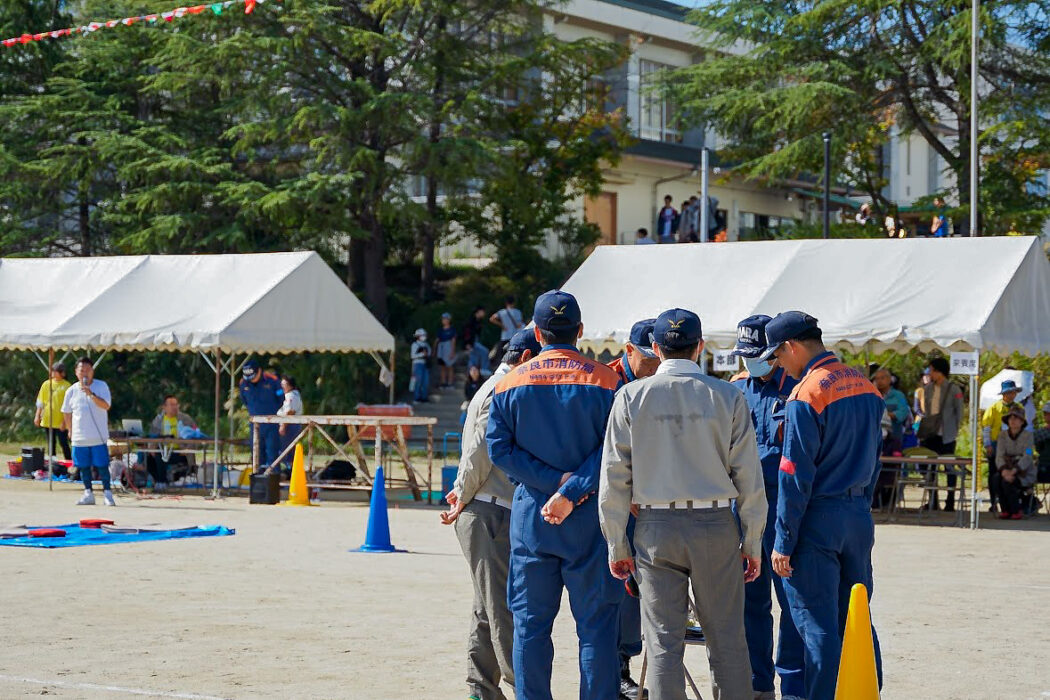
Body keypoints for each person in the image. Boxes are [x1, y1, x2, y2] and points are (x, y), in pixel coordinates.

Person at [599, 308, 765, 700]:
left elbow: (614, 478)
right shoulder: (728, 395)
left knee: (662, 643)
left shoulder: (630, 397)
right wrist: (753, 541)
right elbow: (749, 479)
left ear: (655, 348)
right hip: (715, 525)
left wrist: (616, 544)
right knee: (726, 638)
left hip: (655, 528)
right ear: (701, 346)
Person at [486, 290, 622, 700]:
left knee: (530, 627)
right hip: (591, 519)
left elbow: (499, 449)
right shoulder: (607, 380)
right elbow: (617, 449)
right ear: (580, 331)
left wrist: (552, 481)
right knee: (597, 628)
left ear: (537, 333)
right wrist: (574, 487)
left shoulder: (510, 382)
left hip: (533, 517)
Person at [759, 311, 884, 700]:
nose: (778, 364)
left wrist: (783, 541)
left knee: (819, 628)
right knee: (858, 619)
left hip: (817, 521)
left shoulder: (806, 394)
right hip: (857, 516)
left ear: (791, 346)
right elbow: (876, 461)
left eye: (778, 356)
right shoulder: (865, 386)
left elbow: (794, 477)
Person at [440, 329, 542, 700]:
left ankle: (480, 688)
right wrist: (461, 497)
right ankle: (523, 690)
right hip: (488, 508)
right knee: (504, 611)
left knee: (487, 606)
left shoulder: (494, 385)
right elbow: (479, 454)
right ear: (526, 356)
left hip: (485, 507)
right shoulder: (503, 389)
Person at [728, 315, 805, 700]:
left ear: (775, 353)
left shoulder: (799, 388)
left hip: (783, 510)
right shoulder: (734, 389)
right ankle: (759, 686)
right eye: (744, 356)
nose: (748, 363)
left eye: (755, 355)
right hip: (740, 512)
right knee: (749, 603)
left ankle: (791, 685)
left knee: (791, 602)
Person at [605, 317, 659, 699]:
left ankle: (631, 662)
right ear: (628, 351)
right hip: (615, 500)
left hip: (650, 501)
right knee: (618, 587)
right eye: (647, 358)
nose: (656, 366)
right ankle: (618, 670)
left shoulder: (657, 384)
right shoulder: (608, 383)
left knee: (641, 590)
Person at [61, 357, 116, 506]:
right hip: (80, 436)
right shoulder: (71, 390)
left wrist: (91, 394)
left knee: (102, 465)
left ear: (92, 371)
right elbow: (66, 411)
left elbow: (106, 405)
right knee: (83, 466)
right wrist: (70, 429)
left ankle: (107, 493)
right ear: (76, 372)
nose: (84, 373)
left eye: (87, 370)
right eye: (81, 370)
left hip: (97, 436)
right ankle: (88, 493)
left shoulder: (101, 386)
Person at [916, 357, 964, 510]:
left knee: (949, 468)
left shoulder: (954, 389)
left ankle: (950, 501)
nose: (930, 373)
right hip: (931, 434)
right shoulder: (928, 389)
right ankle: (932, 500)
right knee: (930, 468)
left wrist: (953, 429)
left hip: (947, 435)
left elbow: (960, 412)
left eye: (931, 370)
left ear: (939, 372)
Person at [981, 379, 1021, 511]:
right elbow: (986, 427)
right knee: (994, 474)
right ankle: (994, 502)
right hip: (996, 445)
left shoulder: (1019, 408)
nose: (1012, 395)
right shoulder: (994, 408)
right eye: (1009, 392)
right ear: (1004, 394)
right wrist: (987, 445)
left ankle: (1011, 504)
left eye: (1013, 392)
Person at [239, 359, 284, 471]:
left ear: (259, 371)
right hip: (255, 425)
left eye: (253, 376)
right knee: (257, 455)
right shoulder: (243, 383)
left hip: (271, 424)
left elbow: (281, 399)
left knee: (272, 454)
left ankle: (273, 480)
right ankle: (259, 481)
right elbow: (244, 400)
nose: (251, 380)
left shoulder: (273, 381)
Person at [146, 395, 198, 491]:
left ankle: (162, 483)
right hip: (163, 450)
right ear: (164, 407)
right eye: (171, 405)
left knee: (160, 456)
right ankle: (160, 481)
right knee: (150, 457)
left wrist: (187, 449)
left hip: (180, 452)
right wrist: (151, 448)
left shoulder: (185, 419)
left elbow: (195, 435)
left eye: (176, 404)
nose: (175, 407)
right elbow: (152, 436)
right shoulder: (158, 420)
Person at [993, 406, 1035, 519]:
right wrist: (1004, 471)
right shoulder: (1002, 435)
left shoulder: (1028, 436)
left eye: (1016, 418)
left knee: (1009, 482)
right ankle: (1005, 509)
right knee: (996, 479)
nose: (1012, 420)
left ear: (1022, 421)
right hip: (1006, 467)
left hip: (1023, 471)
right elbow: (999, 455)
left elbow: (1028, 455)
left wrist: (1014, 470)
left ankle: (1016, 510)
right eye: (1010, 418)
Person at [35, 362, 72, 462]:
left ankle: (70, 462)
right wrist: (37, 416)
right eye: (52, 370)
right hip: (48, 418)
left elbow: (69, 406)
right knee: (50, 443)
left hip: (61, 420)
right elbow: (40, 402)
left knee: (64, 443)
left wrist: (65, 422)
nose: (52, 373)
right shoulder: (46, 384)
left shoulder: (67, 386)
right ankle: (53, 464)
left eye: (55, 371)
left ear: (62, 373)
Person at [277, 376, 304, 472]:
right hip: (291, 425)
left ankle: (288, 470)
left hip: (290, 426)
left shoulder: (291, 396)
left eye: (284, 385)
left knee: (286, 449)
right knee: (288, 449)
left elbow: (290, 412)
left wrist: (283, 426)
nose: (282, 387)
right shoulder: (291, 395)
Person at [489, 296, 524, 365]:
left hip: (504, 336)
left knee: (503, 355)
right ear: (513, 303)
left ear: (506, 303)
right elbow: (519, 325)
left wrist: (502, 325)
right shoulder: (518, 312)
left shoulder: (502, 312)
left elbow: (492, 319)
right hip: (514, 337)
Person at [435, 312, 458, 389]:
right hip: (441, 348)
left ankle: (450, 383)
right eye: (443, 319)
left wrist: (452, 351)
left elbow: (453, 341)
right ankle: (443, 382)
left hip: (448, 347)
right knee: (442, 366)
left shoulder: (452, 329)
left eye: (446, 319)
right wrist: (434, 350)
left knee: (450, 366)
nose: (444, 320)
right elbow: (437, 340)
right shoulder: (440, 330)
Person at [411, 328, 432, 403]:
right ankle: (417, 398)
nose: (424, 336)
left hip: (425, 364)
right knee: (418, 381)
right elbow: (412, 356)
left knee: (425, 381)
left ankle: (424, 397)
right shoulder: (415, 344)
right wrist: (422, 354)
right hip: (417, 364)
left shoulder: (426, 344)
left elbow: (429, 353)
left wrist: (426, 354)